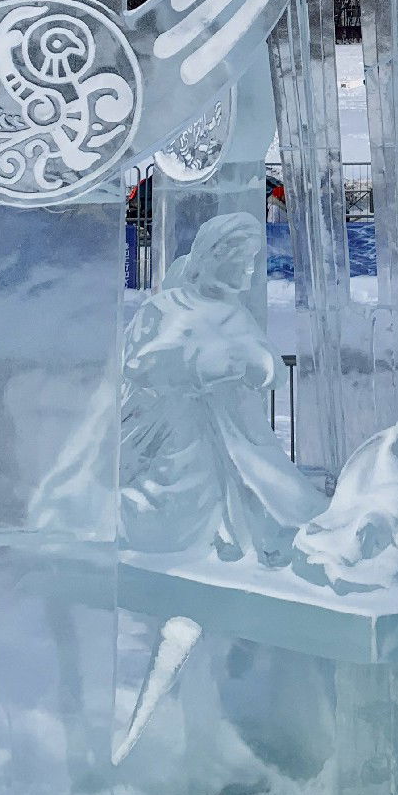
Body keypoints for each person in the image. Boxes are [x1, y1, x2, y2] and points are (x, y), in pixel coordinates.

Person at [120, 212, 322, 563]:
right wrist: (200, 367)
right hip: (180, 435)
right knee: (182, 507)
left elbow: (271, 368)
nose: (249, 272)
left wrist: (255, 365)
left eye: (251, 263)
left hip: (239, 432)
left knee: (276, 492)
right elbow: (138, 366)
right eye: (242, 262)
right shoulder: (166, 307)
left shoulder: (235, 313)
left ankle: (272, 529)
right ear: (213, 256)